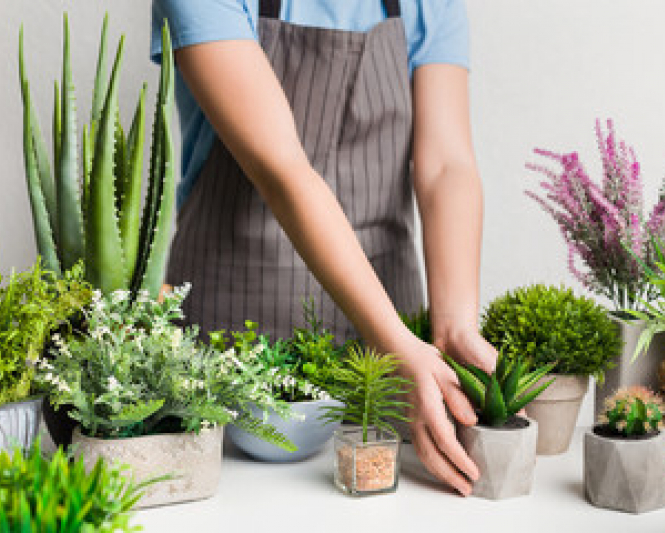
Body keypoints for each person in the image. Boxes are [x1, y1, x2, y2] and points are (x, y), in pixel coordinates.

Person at [152, 0, 497, 496]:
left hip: (390, 372)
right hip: (231, 366)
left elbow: (446, 166)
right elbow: (282, 168)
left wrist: (453, 327)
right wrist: (396, 344)